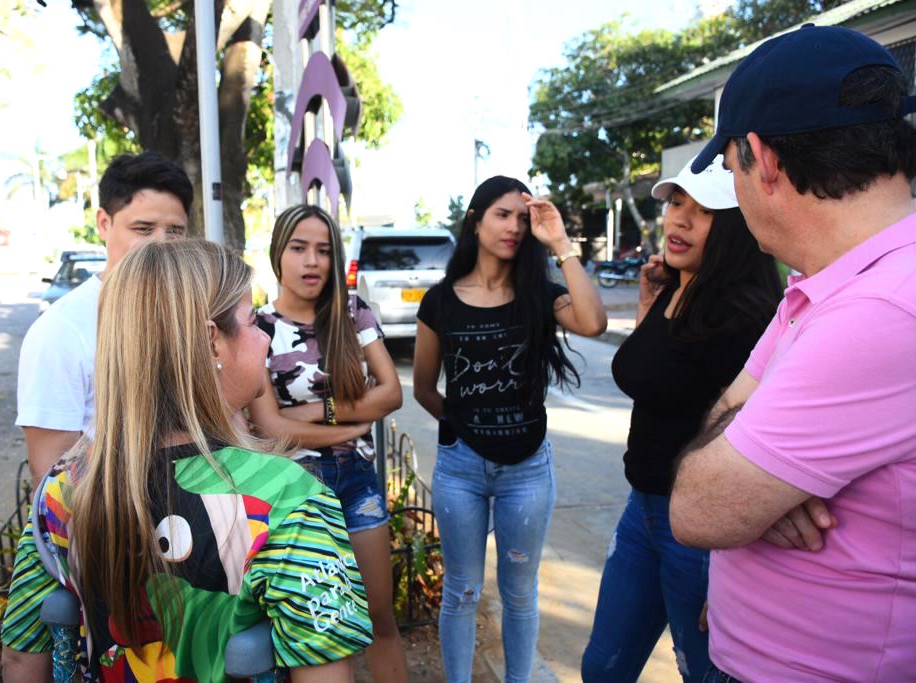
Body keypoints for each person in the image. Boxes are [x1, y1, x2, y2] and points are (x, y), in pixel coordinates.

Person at [0, 240, 372, 682]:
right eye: (252, 322)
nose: (265, 337)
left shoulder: (63, 491)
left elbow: (22, 658)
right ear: (214, 342)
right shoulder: (286, 496)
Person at [668, 25, 916, 682]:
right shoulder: (825, 280)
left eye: (729, 169)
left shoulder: (883, 308)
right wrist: (758, 486)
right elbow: (727, 417)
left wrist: (749, 487)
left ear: (763, 158)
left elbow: (697, 507)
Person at [580, 155, 781, 683]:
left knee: (704, 674)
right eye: (675, 203)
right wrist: (650, 303)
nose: (678, 220)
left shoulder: (744, 315)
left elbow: (756, 445)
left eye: (704, 211)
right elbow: (653, 378)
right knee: (603, 668)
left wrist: (736, 574)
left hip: (700, 530)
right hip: (641, 512)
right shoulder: (673, 289)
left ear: (738, 227)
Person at [412, 176, 607, 683]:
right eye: (503, 214)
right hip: (462, 471)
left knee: (520, 591)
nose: (515, 227)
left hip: (527, 471)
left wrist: (561, 244)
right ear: (476, 221)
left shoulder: (539, 295)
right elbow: (425, 389)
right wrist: (464, 430)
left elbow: (593, 322)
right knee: (462, 590)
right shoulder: (440, 302)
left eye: (523, 218)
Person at [247, 204, 408, 683]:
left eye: (322, 250)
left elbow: (391, 393)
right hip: (291, 490)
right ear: (278, 254)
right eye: (299, 248)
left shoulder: (352, 314)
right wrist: (347, 429)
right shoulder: (256, 328)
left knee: (379, 615)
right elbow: (271, 428)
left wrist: (321, 411)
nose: (312, 261)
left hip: (357, 484)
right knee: (313, 626)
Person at [15, 152, 192, 484]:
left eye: (175, 231)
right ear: (103, 223)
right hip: (115, 527)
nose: (160, 244)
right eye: (143, 228)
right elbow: (52, 476)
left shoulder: (197, 314)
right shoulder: (59, 331)